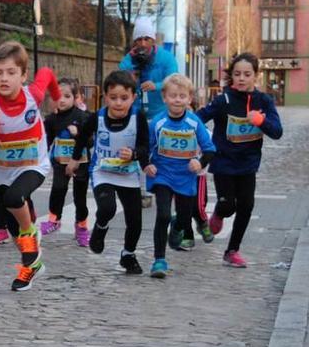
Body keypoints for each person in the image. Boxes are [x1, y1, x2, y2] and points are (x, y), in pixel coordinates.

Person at [0, 42, 61, 291]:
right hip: (5, 169)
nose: (4, 78)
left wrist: (56, 97)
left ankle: (30, 233)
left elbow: (47, 73)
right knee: (11, 222)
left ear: (23, 76)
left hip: (35, 164)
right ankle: (31, 265)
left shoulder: (33, 94)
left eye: (11, 73)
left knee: (15, 198)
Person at [196, 53, 283, 268]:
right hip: (224, 161)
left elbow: (277, 132)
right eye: (237, 74)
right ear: (231, 76)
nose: (242, 78)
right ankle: (218, 213)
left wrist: (261, 121)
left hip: (248, 163)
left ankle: (232, 250)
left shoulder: (264, 101)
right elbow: (198, 119)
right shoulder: (223, 100)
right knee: (228, 205)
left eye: (247, 74)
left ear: (256, 76)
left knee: (246, 205)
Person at [68, 70, 149, 275]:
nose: (119, 103)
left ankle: (128, 255)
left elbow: (144, 147)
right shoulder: (97, 118)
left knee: (135, 220)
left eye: (124, 98)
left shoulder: (138, 117)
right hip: (102, 171)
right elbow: (83, 137)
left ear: (133, 97)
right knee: (107, 208)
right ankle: (100, 228)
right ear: (105, 97)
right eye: (113, 98)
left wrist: (134, 154)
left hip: (128, 173)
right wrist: (75, 160)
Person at [143, 74, 216, 278]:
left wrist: (199, 162)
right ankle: (159, 260)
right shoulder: (158, 122)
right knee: (163, 215)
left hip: (186, 177)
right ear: (164, 97)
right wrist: (147, 164)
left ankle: (178, 226)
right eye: (173, 95)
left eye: (182, 96)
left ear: (189, 98)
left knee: (184, 220)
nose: (177, 100)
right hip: (163, 175)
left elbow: (210, 149)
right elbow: (145, 147)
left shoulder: (194, 122)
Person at [119, 16, 178, 208]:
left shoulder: (166, 58)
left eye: (146, 39)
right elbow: (120, 84)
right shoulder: (128, 61)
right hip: (136, 112)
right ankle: (141, 190)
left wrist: (157, 85)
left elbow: (175, 81)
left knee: (159, 151)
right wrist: (132, 78)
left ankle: (163, 186)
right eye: (139, 40)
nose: (143, 43)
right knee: (137, 150)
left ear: (153, 40)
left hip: (161, 112)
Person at [40, 77, 91, 247]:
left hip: (81, 163)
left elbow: (90, 142)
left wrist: (78, 134)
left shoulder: (83, 117)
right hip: (61, 162)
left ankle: (82, 227)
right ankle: (54, 220)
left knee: (80, 196)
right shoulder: (51, 120)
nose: (61, 100)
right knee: (58, 189)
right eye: (57, 96)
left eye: (67, 96)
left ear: (75, 98)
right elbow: (46, 141)